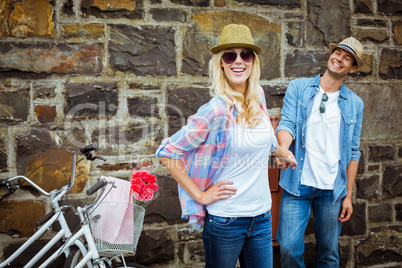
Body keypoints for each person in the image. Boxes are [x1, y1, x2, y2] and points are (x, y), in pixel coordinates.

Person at [156, 24, 297, 268]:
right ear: (221, 63)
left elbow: (263, 136)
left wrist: (278, 152)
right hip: (226, 220)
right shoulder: (216, 109)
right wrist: (200, 195)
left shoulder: (258, 96)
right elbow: (167, 152)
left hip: (262, 217)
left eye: (246, 54)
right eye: (230, 55)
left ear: (253, 61)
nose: (238, 61)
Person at [275, 37, 365, 267]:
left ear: (352, 68)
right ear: (330, 54)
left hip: (332, 190)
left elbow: (353, 151)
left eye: (347, 58)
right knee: (288, 250)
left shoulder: (355, 103)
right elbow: (287, 124)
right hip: (298, 184)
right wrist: (283, 149)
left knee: (329, 254)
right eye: (338, 53)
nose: (339, 59)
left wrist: (348, 195)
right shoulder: (299, 87)